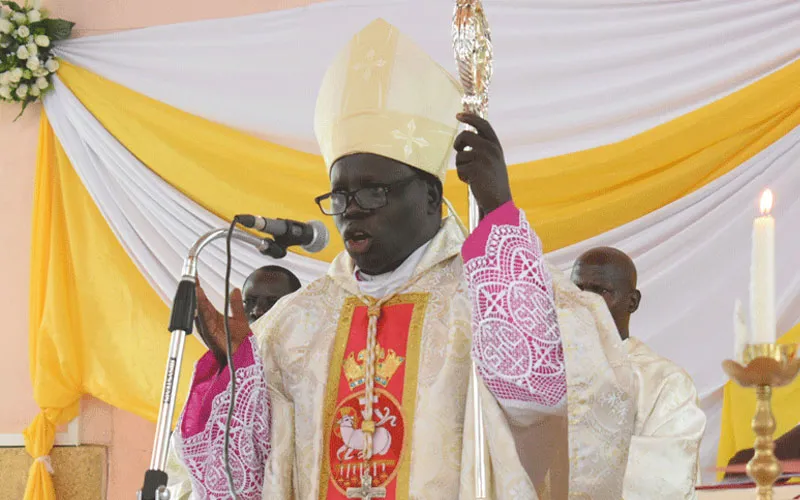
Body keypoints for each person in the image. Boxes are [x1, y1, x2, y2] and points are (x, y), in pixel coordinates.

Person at [170, 18, 638, 499]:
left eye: (373, 192)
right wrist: (236, 375)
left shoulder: (487, 292)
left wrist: (497, 211)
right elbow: (239, 483)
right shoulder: (295, 326)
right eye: (340, 196)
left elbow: (541, 398)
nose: (351, 211)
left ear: (431, 198)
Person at [572, 247, 707, 499]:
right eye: (577, 291)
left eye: (600, 292)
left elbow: (668, 475)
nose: (585, 302)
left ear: (632, 302)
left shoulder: (666, 381)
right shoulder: (548, 376)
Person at [165, 266, 301, 500]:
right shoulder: (223, 367)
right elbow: (181, 461)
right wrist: (228, 363)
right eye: (251, 302)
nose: (259, 311)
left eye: (272, 302)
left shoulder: (312, 366)